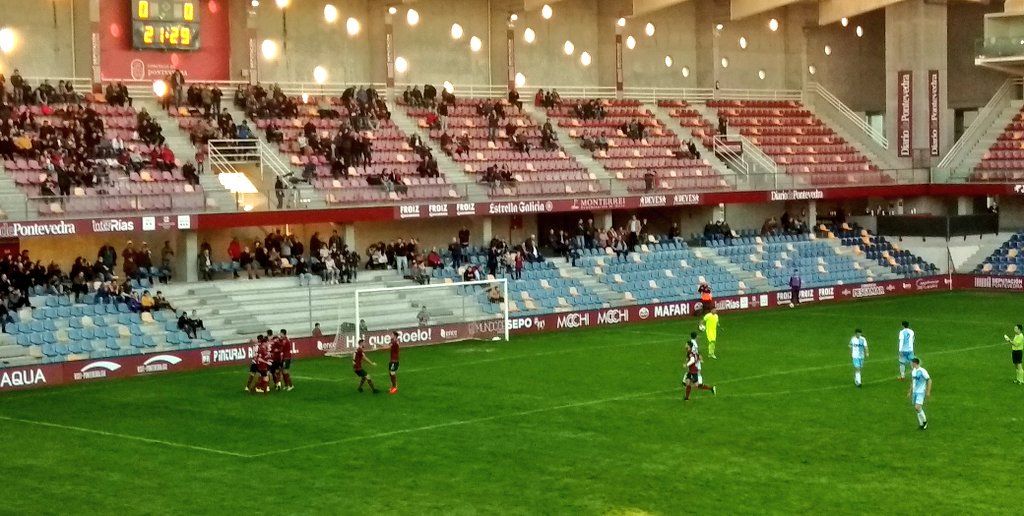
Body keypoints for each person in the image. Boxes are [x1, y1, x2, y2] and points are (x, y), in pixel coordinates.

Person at [907, 358, 931, 430]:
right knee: (917, 409)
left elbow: (929, 380)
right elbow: (913, 382)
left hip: (921, 392)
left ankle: (925, 422)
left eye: (912, 363)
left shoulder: (922, 371)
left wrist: (928, 391)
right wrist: (910, 391)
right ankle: (921, 424)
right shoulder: (913, 371)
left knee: (917, 407)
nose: (911, 364)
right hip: (915, 392)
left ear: (915, 363)